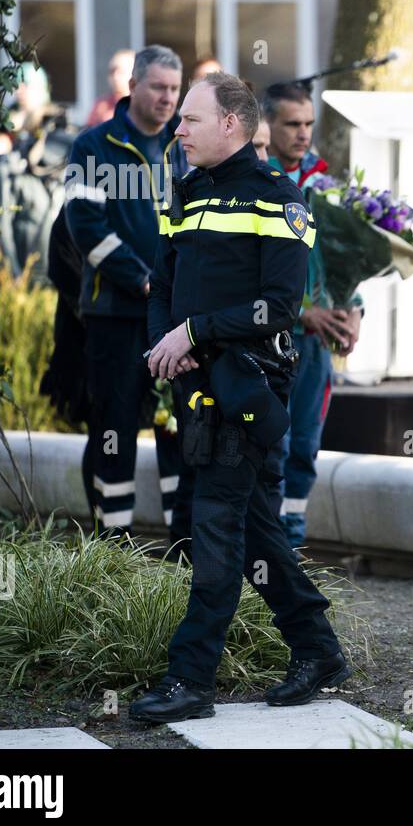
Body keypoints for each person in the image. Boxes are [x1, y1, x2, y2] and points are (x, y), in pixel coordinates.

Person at [130, 71, 349, 723]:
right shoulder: (192, 190)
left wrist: (195, 331)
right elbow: (163, 281)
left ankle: (191, 679)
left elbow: (280, 307)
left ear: (232, 124)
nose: (179, 128)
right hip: (198, 385)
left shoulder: (280, 200)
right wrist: (164, 344)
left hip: (248, 390)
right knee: (255, 533)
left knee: (217, 528)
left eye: (191, 120)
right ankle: (317, 648)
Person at [63, 45, 191, 545]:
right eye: (157, 87)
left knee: (178, 430)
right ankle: (111, 551)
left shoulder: (185, 146)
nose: (166, 98)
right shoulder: (93, 147)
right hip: (115, 314)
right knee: (113, 427)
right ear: (132, 85)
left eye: (174, 90)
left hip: (177, 320)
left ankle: (184, 551)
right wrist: (142, 279)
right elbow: (85, 226)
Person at [262, 81, 363, 547]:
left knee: (304, 444)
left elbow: (348, 260)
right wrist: (302, 313)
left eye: (308, 124)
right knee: (271, 445)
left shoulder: (325, 184)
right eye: (292, 124)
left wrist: (353, 310)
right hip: (267, 338)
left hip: (317, 346)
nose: (303, 134)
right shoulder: (254, 180)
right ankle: (266, 545)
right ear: (267, 124)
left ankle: (293, 542)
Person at [85, 49, 135, 129]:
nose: (115, 77)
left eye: (120, 71)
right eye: (112, 72)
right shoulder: (101, 105)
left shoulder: (144, 104)